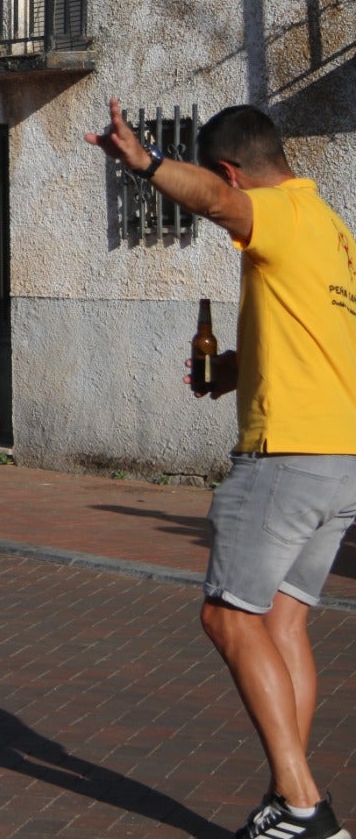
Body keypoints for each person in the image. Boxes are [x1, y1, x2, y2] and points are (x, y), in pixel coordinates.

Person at [88, 100, 356, 839]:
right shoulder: (332, 230)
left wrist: (145, 164)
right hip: (342, 456)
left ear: (232, 169)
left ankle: (304, 807)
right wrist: (235, 368)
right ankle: (291, 796)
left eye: (220, 179)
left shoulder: (268, 212)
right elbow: (320, 337)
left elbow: (216, 202)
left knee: (227, 615)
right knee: (284, 621)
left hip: (287, 456)